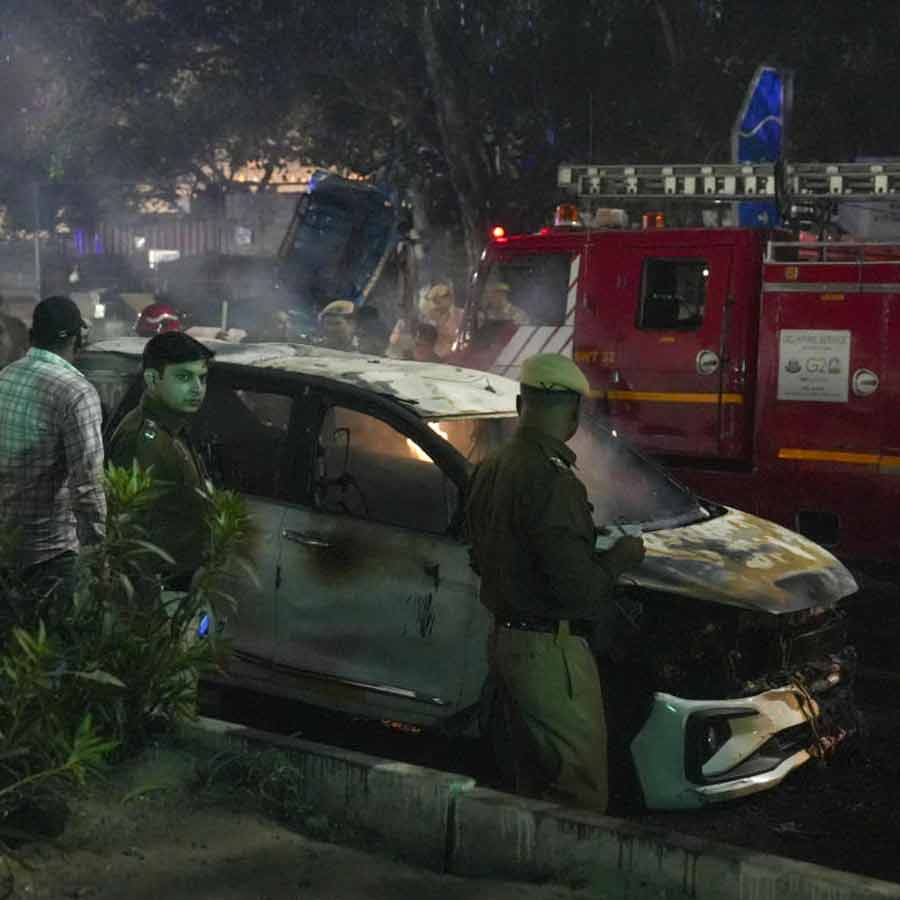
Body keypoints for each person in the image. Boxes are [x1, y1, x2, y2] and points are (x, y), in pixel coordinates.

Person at [465, 352, 645, 813]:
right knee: (577, 793)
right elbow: (579, 592)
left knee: (532, 787)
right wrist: (621, 558)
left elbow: (480, 554)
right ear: (572, 414)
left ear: (522, 402)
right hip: (550, 653)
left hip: (504, 641)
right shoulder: (552, 480)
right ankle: (566, 883)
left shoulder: (490, 468)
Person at [0, 296, 106, 616]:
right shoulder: (76, 392)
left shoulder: (6, 377)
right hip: (49, 556)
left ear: (33, 336)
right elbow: (88, 485)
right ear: (78, 338)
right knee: (57, 655)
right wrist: (100, 556)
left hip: (6, 546)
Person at [107, 331, 215, 589]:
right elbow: (129, 533)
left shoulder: (173, 426)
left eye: (202, 378)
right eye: (184, 377)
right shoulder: (143, 440)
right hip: (158, 590)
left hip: (180, 580)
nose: (197, 389)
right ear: (153, 379)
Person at [422, 282, 463, 357]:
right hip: (432, 358)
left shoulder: (462, 316)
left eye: (439, 299)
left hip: (455, 359)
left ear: (450, 298)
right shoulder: (428, 317)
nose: (437, 303)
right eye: (434, 300)